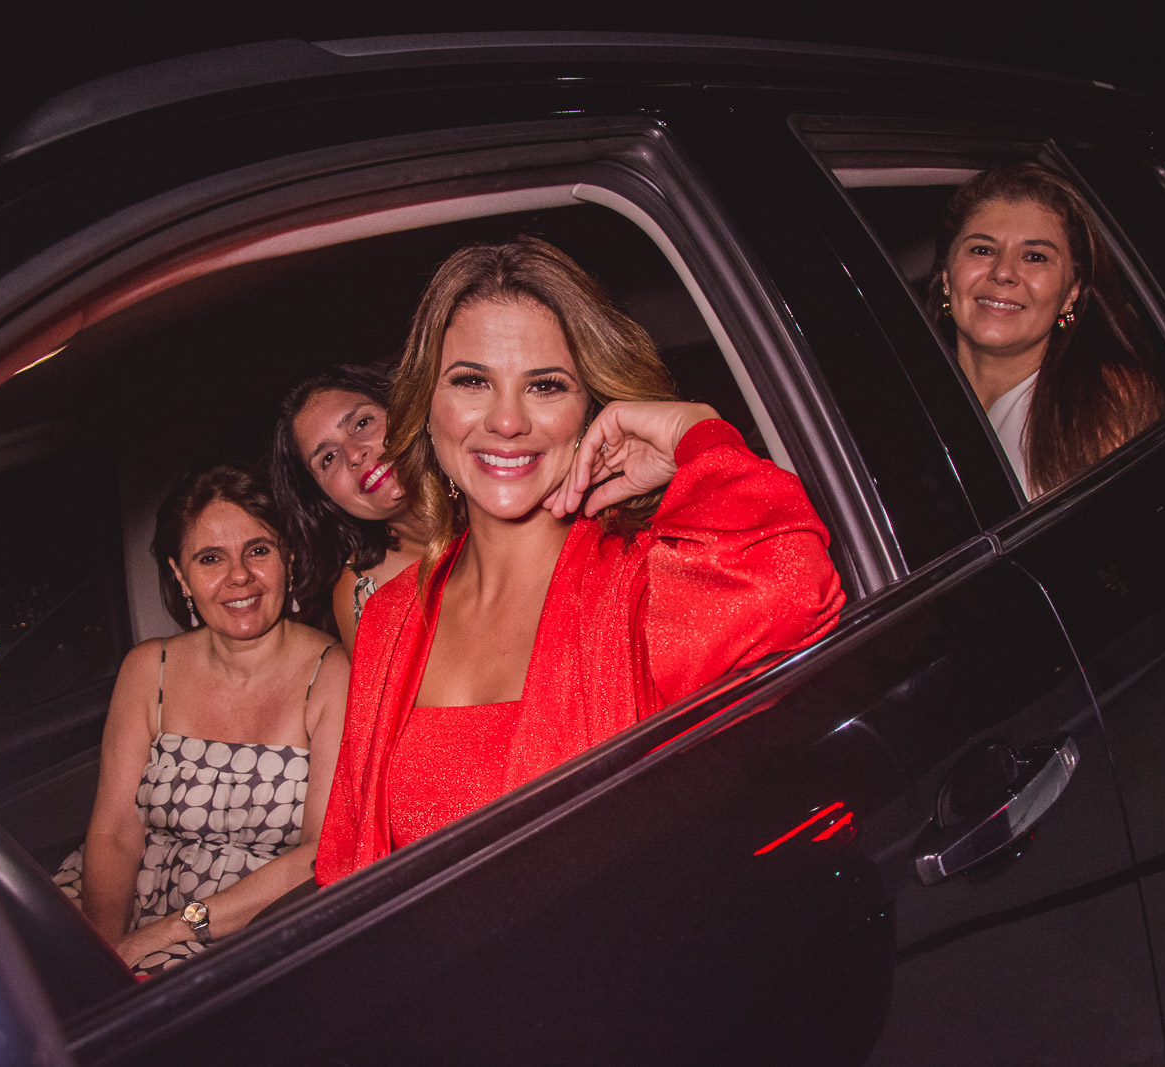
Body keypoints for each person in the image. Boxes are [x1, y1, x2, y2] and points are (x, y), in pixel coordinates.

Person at [316, 236, 845, 884]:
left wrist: (698, 435)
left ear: (590, 409)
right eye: (472, 381)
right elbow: (351, 865)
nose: (507, 420)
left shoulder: (646, 582)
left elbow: (794, 596)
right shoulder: (390, 619)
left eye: (545, 385)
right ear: (427, 407)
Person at [53, 462, 348, 975]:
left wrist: (169, 931)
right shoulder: (149, 669)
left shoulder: (333, 673)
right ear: (180, 575)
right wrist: (105, 953)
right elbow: (114, 832)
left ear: (289, 557)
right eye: (211, 558)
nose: (239, 576)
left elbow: (320, 852)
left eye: (258, 550)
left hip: (249, 925)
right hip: (117, 909)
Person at [929, 162, 1165, 498]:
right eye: (982, 250)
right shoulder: (903, 393)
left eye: (1035, 257)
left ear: (1071, 294)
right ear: (947, 277)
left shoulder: (1100, 398)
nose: (1003, 272)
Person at [271, 365, 432, 649]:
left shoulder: (497, 488)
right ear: (323, 497)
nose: (355, 455)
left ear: (401, 410)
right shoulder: (362, 593)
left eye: (362, 423)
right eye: (328, 457)